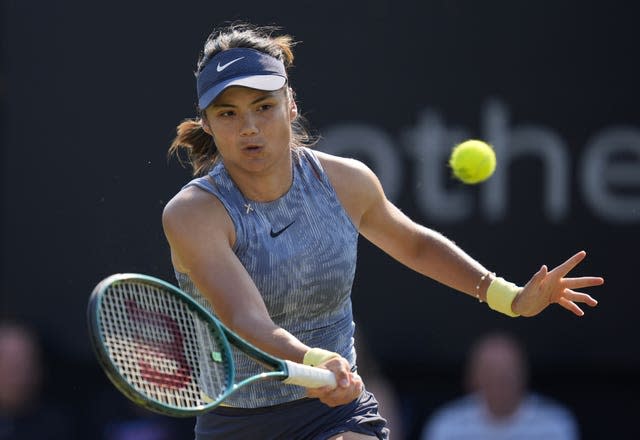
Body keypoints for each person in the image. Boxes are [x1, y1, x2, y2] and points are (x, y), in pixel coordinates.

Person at [161, 22, 604, 440]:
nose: (250, 128)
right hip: (237, 425)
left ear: (290, 103)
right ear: (206, 123)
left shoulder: (346, 182)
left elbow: (413, 243)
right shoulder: (193, 213)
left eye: (263, 106)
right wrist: (315, 362)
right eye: (228, 113)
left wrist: (509, 297)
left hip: (334, 413)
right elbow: (246, 319)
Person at [420, 331, 580, 439]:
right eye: (490, 372)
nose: (499, 380)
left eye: (507, 372)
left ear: (523, 374)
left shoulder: (554, 425)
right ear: (472, 378)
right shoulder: (446, 425)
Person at [0, 321, 76, 440]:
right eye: (6, 361)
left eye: (22, 363)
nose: (13, 372)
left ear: (39, 371)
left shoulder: (57, 427)